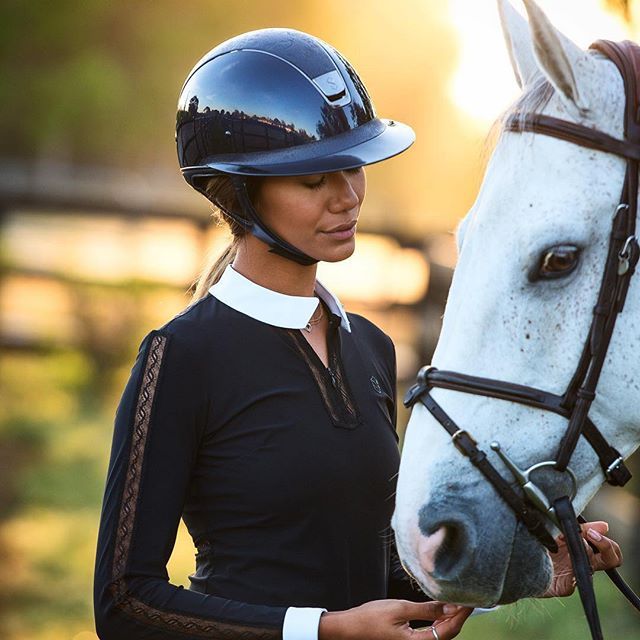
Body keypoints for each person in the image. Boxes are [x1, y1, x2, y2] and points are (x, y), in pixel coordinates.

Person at [93, 28, 623, 640]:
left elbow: (377, 576)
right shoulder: (182, 357)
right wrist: (322, 631)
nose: (347, 198)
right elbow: (125, 602)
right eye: (314, 181)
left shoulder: (371, 347)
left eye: (353, 167)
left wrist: (530, 569)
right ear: (240, 193)